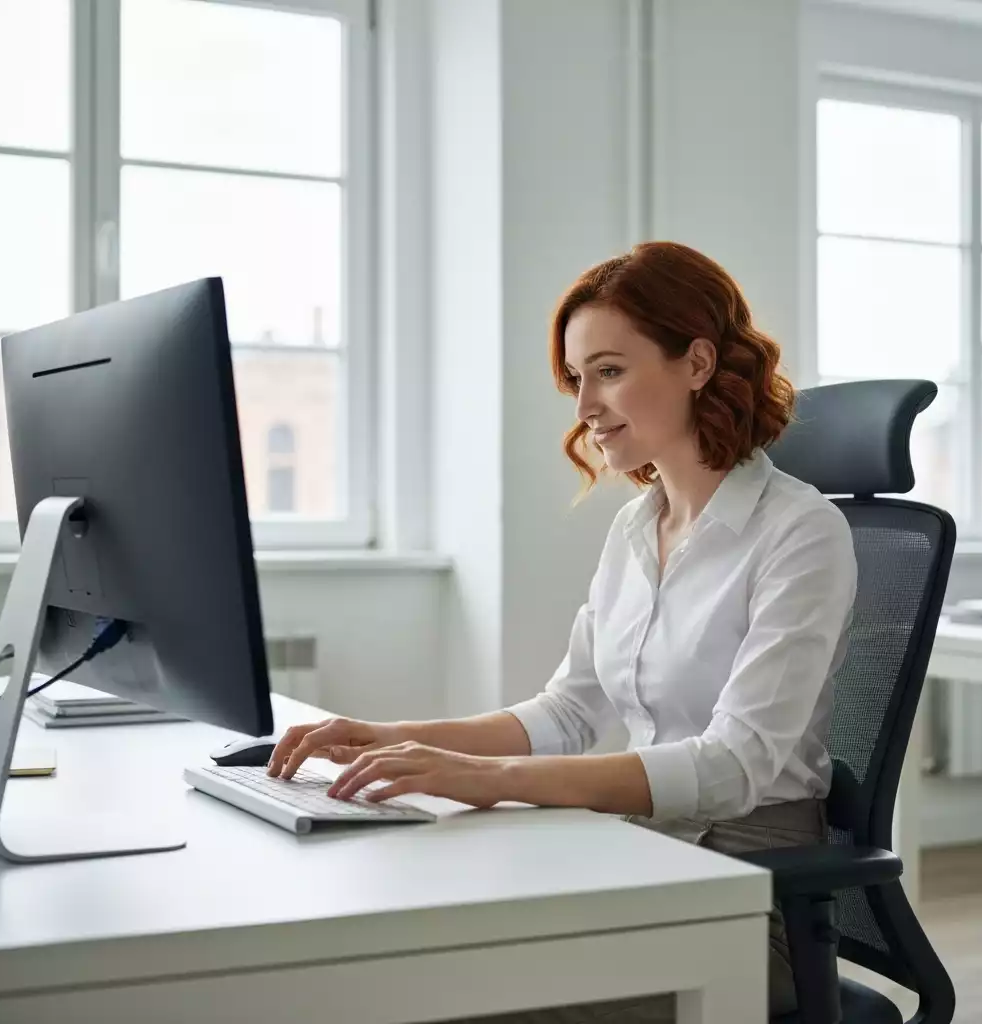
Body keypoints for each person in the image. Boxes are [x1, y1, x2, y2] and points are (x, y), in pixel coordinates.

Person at [267, 241, 857, 1021]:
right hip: (641, 853)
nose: (584, 408)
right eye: (577, 379)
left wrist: (492, 782)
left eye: (609, 371)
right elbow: (569, 713)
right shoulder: (634, 528)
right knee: (404, 961)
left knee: (470, 1000)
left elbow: (733, 765)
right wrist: (390, 735)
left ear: (699, 363)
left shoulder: (800, 532)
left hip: (751, 902)